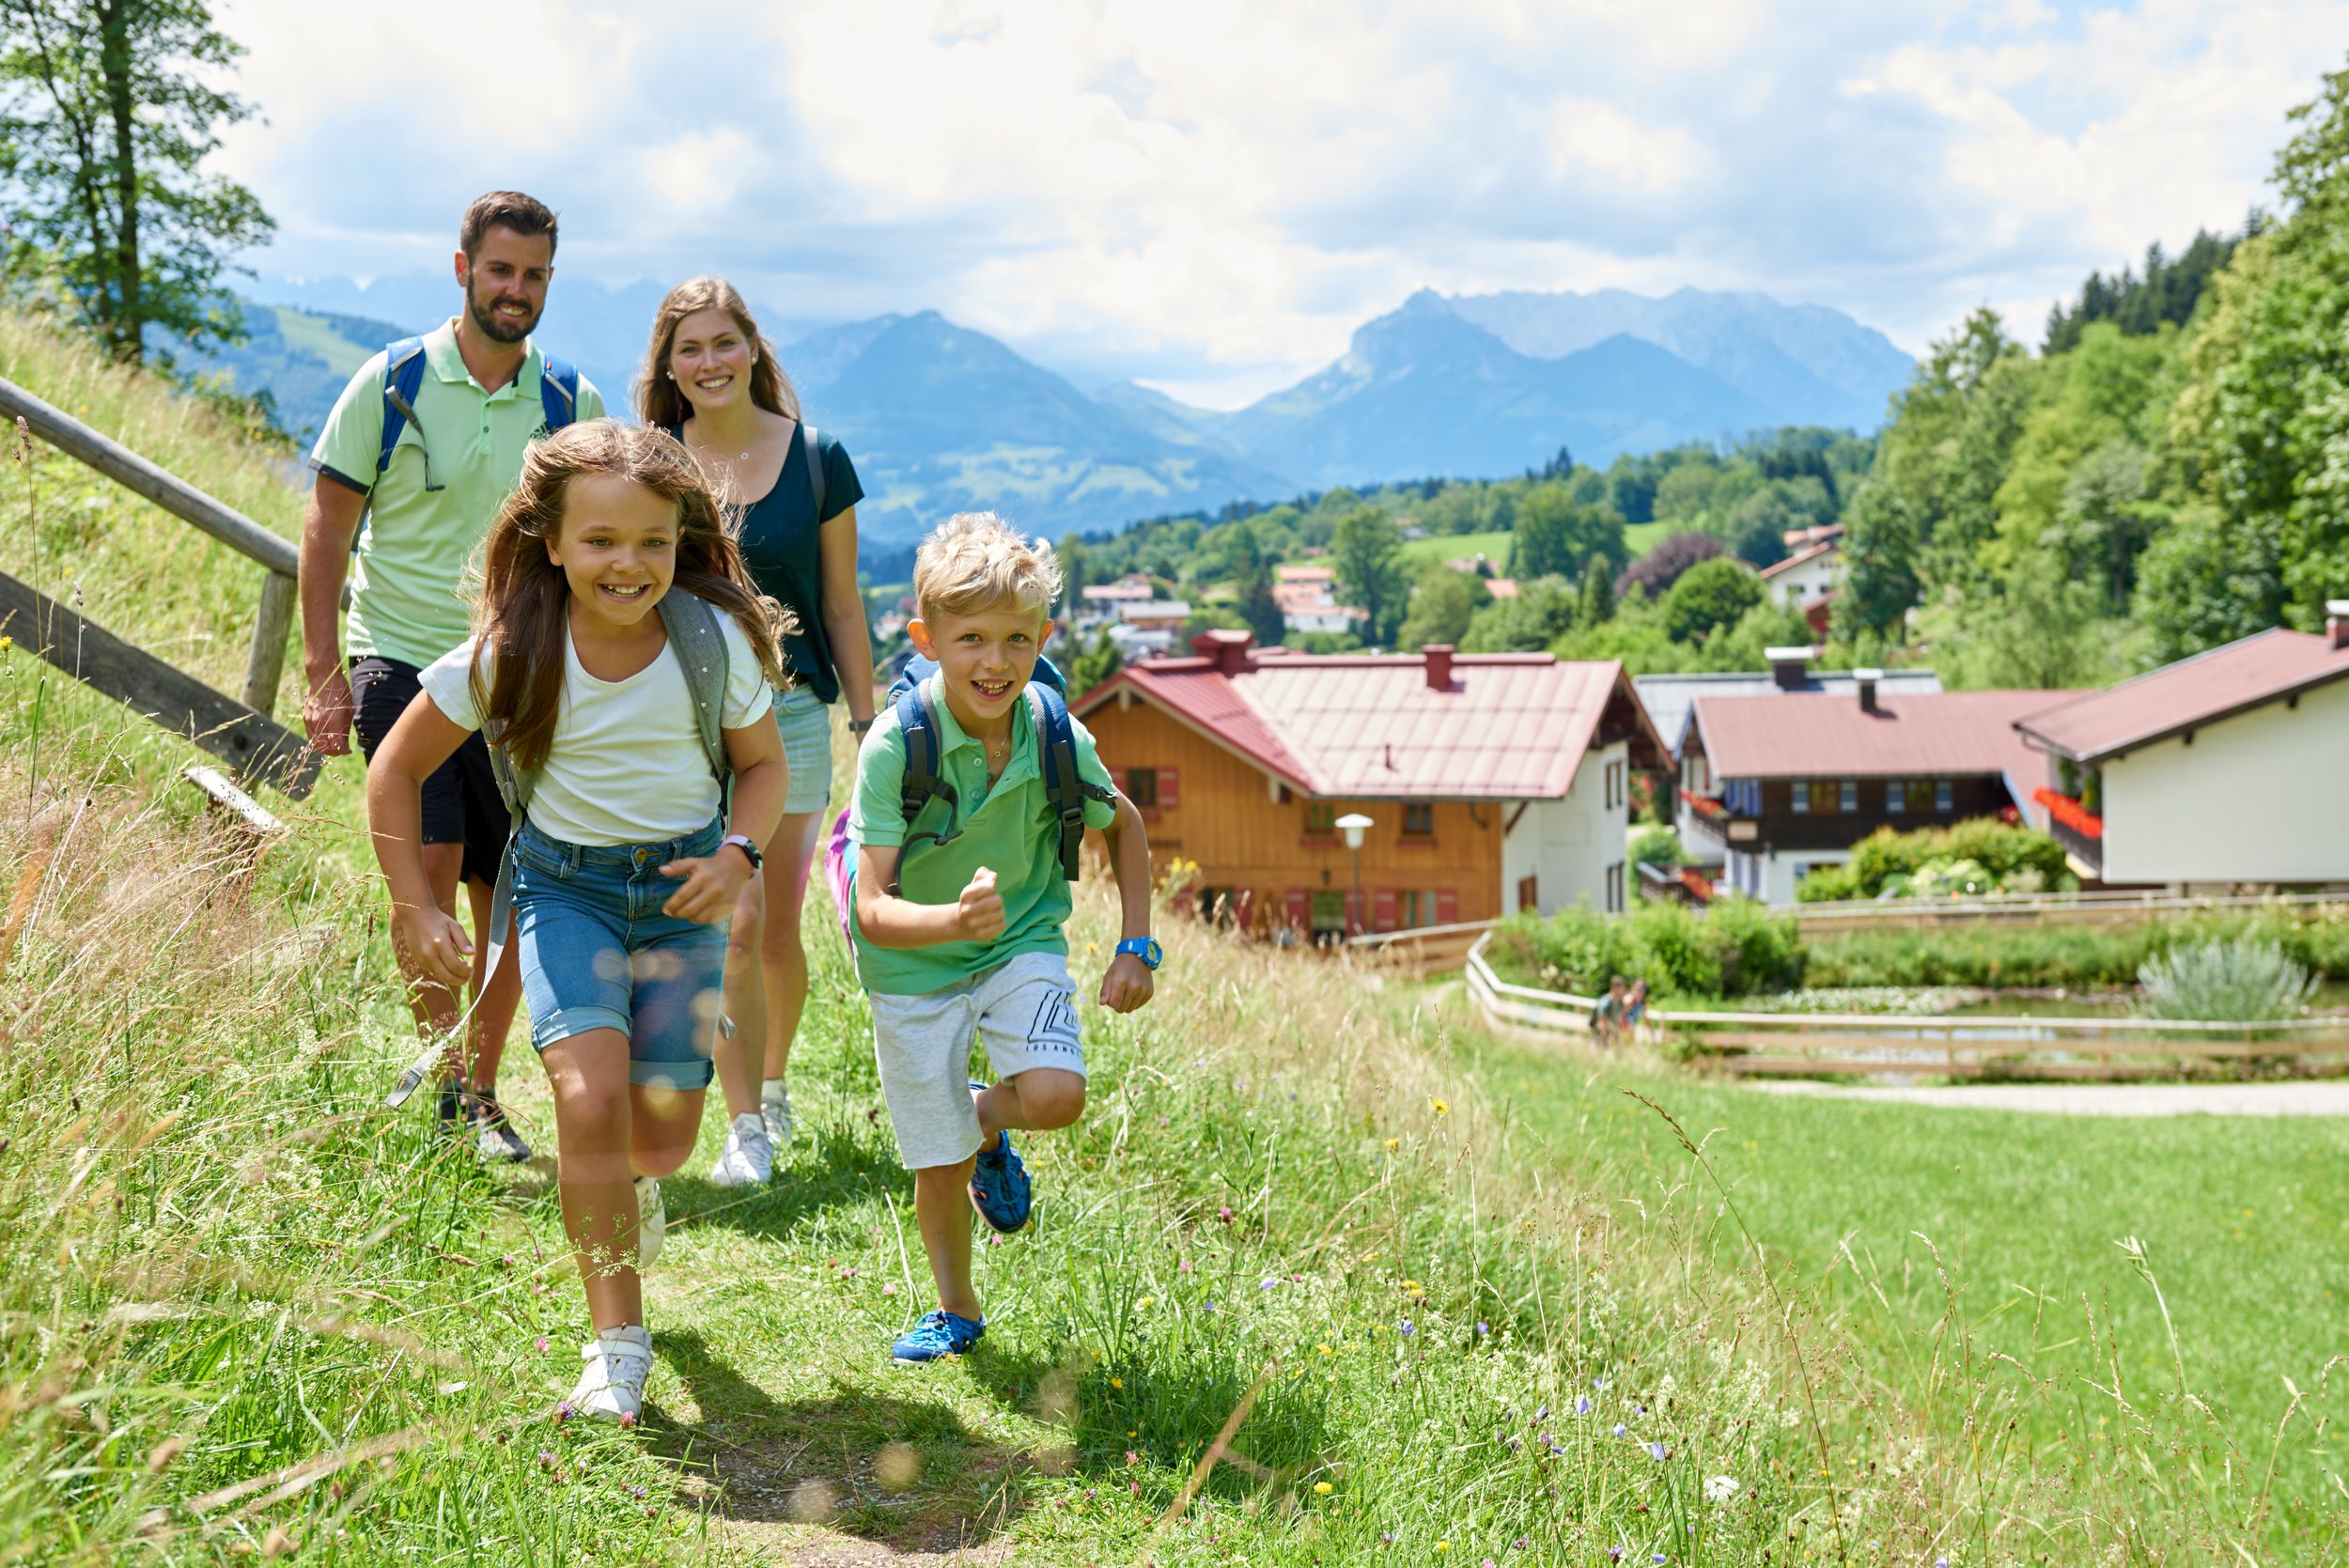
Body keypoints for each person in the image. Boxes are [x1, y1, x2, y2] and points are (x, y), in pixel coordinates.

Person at [365, 421, 789, 1421]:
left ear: (679, 540)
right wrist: (411, 903)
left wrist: (739, 857)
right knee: (587, 1101)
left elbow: (763, 766)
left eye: (652, 540)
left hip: (684, 898)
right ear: (551, 542)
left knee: (662, 1142)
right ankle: (617, 1346)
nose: (628, 563)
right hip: (564, 893)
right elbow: (395, 770)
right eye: (600, 540)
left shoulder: (708, 641)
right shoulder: (511, 653)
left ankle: (626, 1190)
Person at [299, 191, 608, 1160]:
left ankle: (474, 1088)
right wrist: (322, 672)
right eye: (501, 269)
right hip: (398, 656)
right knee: (426, 874)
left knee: (506, 893)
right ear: (463, 266)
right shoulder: (389, 384)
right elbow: (326, 528)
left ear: (549, 282)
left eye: (534, 275)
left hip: (518, 672)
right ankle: (444, 1081)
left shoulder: (570, 405)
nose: (515, 290)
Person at [848, 513, 1157, 1364]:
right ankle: (957, 1310)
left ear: (1043, 637)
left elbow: (1122, 824)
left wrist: (1137, 943)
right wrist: (947, 921)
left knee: (1058, 1094)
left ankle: (984, 1115)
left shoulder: (1053, 730)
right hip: (909, 961)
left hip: (1017, 937)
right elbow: (869, 905)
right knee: (937, 1160)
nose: (996, 661)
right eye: (972, 638)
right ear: (927, 637)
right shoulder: (894, 745)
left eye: (1018, 639)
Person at [638, 277, 876, 1187]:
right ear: (668, 365)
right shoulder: (656, 461)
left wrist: (864, 718)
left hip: (792, 712)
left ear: (752, 348)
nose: (708, 362)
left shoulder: (817, 459)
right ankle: (745, 1127)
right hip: (687, 714)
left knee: (776, 926)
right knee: (732, 924)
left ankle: (772, 1084)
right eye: (689, 348)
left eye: (722, 342)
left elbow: (844, 604)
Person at [1594, 975, 1628, 1046]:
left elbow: (1619, 1020)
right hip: (1601, 1037)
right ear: (1615, 988)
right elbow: (1601, 1023)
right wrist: (1605, 1042)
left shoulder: (1620, 1002)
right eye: (1622, 988)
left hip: (1612, 1036)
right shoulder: (1605, 1002)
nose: (1624, 990)